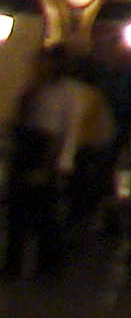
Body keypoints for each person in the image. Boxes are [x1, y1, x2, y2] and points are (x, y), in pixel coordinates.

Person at [7, 47, 89, 278]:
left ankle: (49, 264)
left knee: (44, 213)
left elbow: (64, 130)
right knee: (18, 211)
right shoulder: (36, 89)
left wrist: (55, 164)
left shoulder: (68, 91)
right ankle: (15, 261)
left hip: (45, 150)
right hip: (28, 145)